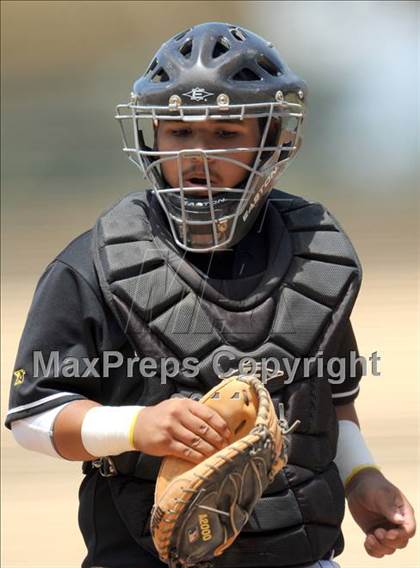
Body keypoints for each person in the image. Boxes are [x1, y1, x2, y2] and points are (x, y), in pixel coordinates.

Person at [5, 22, 415, 568]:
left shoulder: (316, 259)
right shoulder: (93, 264)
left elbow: (330, 405)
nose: (197, 156)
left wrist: (363, 478)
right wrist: (136, 426)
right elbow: (34, 418)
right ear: (152, 137)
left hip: (302, 555)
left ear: (272, 138)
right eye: (179, 134)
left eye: (225, 135)